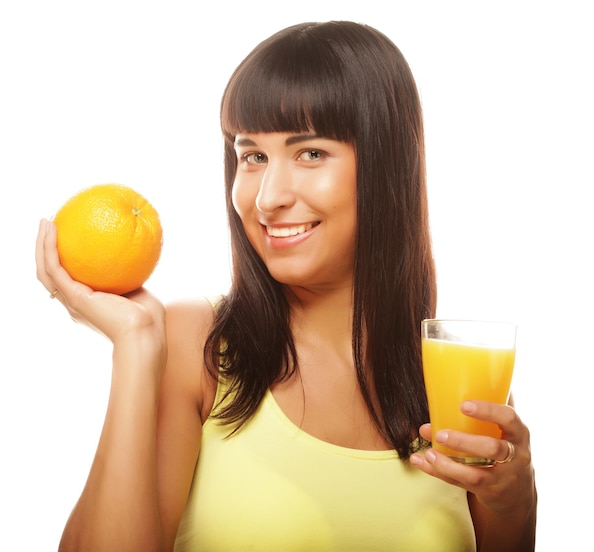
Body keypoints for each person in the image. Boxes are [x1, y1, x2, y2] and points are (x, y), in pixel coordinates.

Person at [36, 20, 537, 552]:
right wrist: (136, 348)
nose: (267, 197)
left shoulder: (452, 379)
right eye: (252, 156)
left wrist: (516, 500)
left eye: (310, 153)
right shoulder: (196, 344)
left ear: (387, 168)